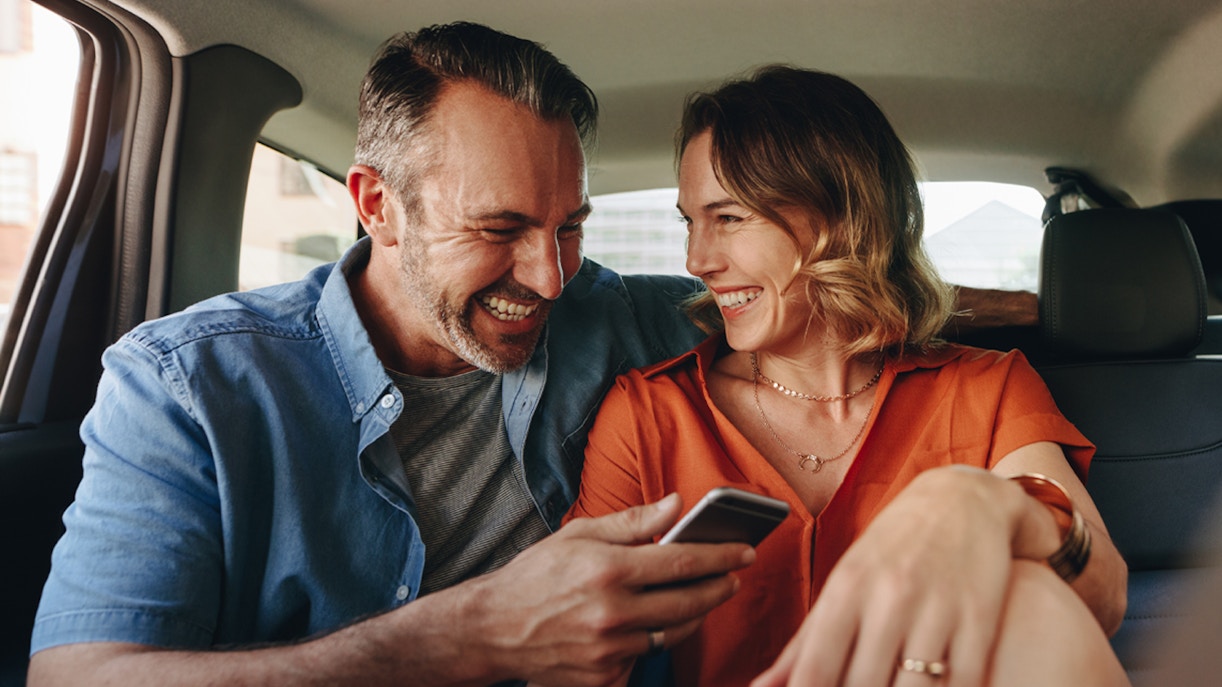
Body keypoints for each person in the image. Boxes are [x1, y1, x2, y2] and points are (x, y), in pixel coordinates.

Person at [28, 22, 754, 687]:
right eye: (500, 227)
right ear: (377, 205)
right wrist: (480, 629)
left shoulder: (627, 318)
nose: (549, 277)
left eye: (569, 226)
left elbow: (831, 327)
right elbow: (73, 676)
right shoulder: (185, 385)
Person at [567, 66, 1130, 686]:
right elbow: (574, 661)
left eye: (729, 218)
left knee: (1035, 591)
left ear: (841, 218)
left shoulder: (985, 390)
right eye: (690, 222)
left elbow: (1101, 599)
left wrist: (992, 506)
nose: (697, 260)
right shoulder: (649, 415)